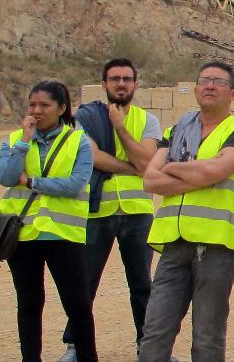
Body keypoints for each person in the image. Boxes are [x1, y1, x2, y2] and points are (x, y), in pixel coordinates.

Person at [138, 61, 234, 362]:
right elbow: (150, 179)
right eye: (204, 80)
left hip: (217, 247)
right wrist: (196, 173)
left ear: (233, 93)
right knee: (154, 332)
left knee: (207, 337)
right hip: (174, 244)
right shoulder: (177, 130)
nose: (210, 86)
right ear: (195, 89)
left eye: (218, 81)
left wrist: (173, 167)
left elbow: (213, 172)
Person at [57, 59, 163, 362]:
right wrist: (134, 166)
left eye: (127, 79)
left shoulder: (147, 121)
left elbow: (147, 163)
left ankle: (148, 346)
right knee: (84, 282)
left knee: (142, 284)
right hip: (96, 211)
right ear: (103, 84)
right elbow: (92, 157)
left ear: (135, 84)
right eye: (114, 79)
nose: (121, 84)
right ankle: (76, 346)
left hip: (137, 212)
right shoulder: (86, 118)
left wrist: (119, 127)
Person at [0, 80, 97, 362]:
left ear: (62, 108)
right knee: (28, 304)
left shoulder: (78, 141)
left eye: (44, 105)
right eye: (32, 105)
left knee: (77, 306)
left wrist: (31, 182)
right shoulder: (15, 139)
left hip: (63, 235)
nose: (36, 111)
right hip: (24, 236)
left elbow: (75, 184)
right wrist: (24, 142)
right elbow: (4, 176)